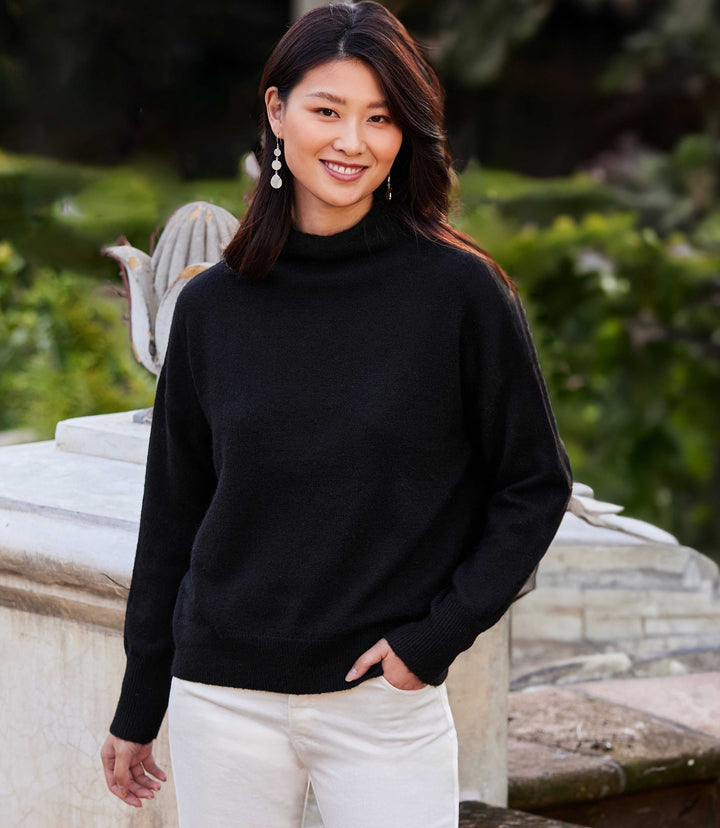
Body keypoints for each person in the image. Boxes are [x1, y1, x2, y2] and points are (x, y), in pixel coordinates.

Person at [100, 2, 573, 826]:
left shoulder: (460, 294)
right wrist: (140, 704)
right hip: (222, 698)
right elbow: (174, 509)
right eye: (328, 111)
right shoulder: (212, 306)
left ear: (404, 135)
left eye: (381, 118)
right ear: (277, 111)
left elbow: (534, 486)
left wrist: (432, 643)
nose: (353, 142)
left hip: (381, 708)